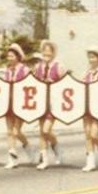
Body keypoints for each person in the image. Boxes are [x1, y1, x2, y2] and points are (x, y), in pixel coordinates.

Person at [34, 40, 66, 170]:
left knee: (46, 130)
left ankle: (56, 147)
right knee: (42, 132)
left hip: (53, 103)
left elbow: (66, 85)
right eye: (44, 51)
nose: (46, 53)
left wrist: (53, 83)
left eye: (49, 51)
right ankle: (45, 159)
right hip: (41, 102)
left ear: (53, 53)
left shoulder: (59, 67)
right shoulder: (38, 67)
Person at [3, 43, 35, 169]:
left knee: (16, 131)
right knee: (10, 132)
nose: (9, 58)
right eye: (8, 56)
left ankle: (28, 148)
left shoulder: (25, 70)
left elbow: (30, 85)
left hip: (21, 104)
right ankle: (12, 158)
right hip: (9, 103)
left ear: (17, 56)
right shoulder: (7, 70)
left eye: (12, 56)